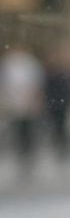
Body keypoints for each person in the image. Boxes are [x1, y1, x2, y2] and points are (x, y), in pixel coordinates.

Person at [1, 45, 45, 179]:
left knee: (28, 135)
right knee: (19, 135)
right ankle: (22, 158)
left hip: (27, 106)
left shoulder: (30, 64)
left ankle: (28, 159)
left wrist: (34, 99)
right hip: (15, 107)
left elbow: (37, 85)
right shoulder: (7, 65)